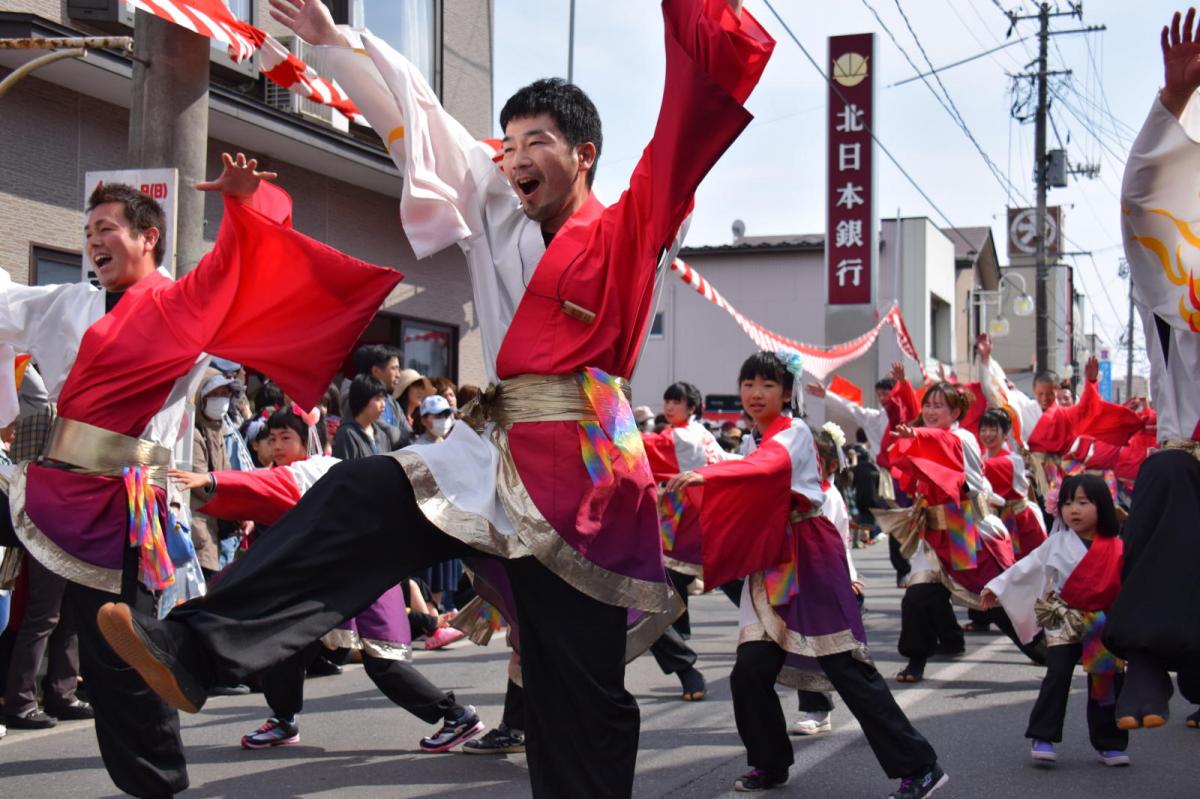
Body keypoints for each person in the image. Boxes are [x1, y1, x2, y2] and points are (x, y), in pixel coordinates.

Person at [97, 1, 774, 796]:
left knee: (574, 688)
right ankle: (193, 648)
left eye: (537, 143)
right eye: (509, 142)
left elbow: (684, 134)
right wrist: (336, 45)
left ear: (584, 155)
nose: (515, 158)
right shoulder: (494, 209)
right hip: (491, 450)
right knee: (358, 492)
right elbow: (422, 118)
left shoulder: (634, 224)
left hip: (586, 469)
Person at [0, 155, 401, 797]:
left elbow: (236, 266)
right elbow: (4, 302)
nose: (94, 240)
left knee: (122, 658)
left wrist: (245, 203)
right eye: (88, 232)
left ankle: (160, 783)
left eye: (107, 227)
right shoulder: (70, 301)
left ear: (148, 236)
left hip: (119, 500)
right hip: (51, 482)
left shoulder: (176, 304)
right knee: (113, 649)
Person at [666, 352, 944, 798]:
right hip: (771, 559)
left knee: (847, 668)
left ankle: (921, 765)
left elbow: (766, 469)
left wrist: (711, 475)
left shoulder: (791, 433)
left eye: (768, 385)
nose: (756, 393)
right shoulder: (754, 441)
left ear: (787, 392)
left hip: (809, 556)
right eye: (749, 384)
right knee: (750, 671)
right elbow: (744, 476)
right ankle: (770, 763)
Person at [170, 406, 483, 753]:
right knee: (283, 643)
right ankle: (284, 718)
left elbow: (268, 486)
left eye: (286, 437)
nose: (276, 445)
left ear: (308, 440)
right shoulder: (300, 471)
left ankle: (455, 715)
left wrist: (212, 481)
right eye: (271, 438)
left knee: (384, 664)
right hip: (322, 585)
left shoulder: (318, 471)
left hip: (365, 578)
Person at [1102, 7, 1200, 732]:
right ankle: (1145, 660)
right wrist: (1173, 102)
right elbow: (1142, 203)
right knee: (1168, 472)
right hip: (1190, 475)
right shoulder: (1182, 301)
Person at [875, 382, 1043, 683]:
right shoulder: (928, 435)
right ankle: (919, 657)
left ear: (955, 411)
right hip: (934, 529)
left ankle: (1038, 648)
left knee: (989, 599)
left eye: (939, 406)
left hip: (963, 526)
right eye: (928, 404)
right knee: (918, 597)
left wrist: (918, 435)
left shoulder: (961, 437)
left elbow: (954, 459)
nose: (930, 411)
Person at [982, 474, 1129, 766]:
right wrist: (995, 586)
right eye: (1068, 503)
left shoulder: (1117, 545)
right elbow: (1027, 568)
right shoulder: (1057, 542)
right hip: (1064, 615)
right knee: (1057, 675)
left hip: (1101, 620)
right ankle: (1043, 735)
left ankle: (1109, 742)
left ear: (1101, 506)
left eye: (1083, 503)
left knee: (1105, 680)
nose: (1074, 509)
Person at [332, 374, 393, 459]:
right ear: (363, 399)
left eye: (383, 399)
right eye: (378, 399)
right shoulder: (347, 434)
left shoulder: (382, 435)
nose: (383, 404)